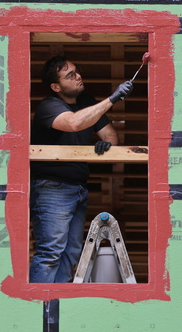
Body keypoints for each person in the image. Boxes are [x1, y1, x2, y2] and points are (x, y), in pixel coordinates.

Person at [29, 55, 133, 283]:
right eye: (70, 75)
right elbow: (74, 122)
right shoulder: (49, 105)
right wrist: (113, 98)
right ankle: (39, 308)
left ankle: (56, 305)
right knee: (50, 253)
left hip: (77, 189)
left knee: (72, 252)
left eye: (77, 71)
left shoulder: (86, 101)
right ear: (56, 87)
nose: (78, 77)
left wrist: (107, 145)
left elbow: (110, 135)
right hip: (50, 188)